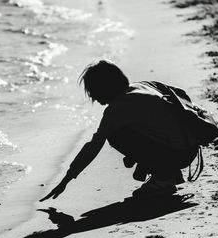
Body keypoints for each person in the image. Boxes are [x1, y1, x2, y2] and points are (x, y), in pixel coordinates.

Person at [40, 60, 199, 201]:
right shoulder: (141, 86)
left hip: (179, 153)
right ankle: (167, 173)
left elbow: (93, 145)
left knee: (116, 135)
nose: (93, 98)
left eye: (93, 92)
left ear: (102, 89)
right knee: (133, 130)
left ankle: (163, 178)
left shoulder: (117, 108)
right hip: (190, 146)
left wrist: (66, 179)